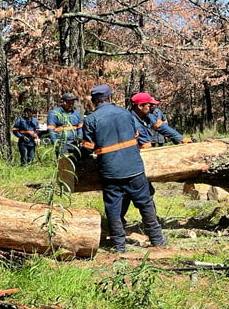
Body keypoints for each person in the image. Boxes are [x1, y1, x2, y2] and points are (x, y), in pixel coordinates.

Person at [81, 85, 166, 253]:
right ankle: (157, 240)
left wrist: (81, 156)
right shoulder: (126, 114)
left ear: (93, 101)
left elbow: (87, 148)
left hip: (110, 172)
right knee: (145, 203)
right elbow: (136, 135)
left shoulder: (91, 120)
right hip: (134, 167)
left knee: (113, 208)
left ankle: (119, 246)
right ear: (110, 98)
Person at [119, 92, 192, 225]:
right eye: (149, 105)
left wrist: (181, 139)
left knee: (134, 192)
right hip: (130, 162)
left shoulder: (147, 117)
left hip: (139, 160)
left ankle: (126, 221)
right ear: (140, 106)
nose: (152, 107)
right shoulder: (131, 120)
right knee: (139, 191)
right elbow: (144, 145)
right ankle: (149, 222)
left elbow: (163, 128)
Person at [47, 92, 83, 157]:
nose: (71, 105)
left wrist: (80, 137)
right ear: (63, 102)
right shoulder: (54, 113)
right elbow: (51, 131)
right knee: (63, 163)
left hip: (74, 144)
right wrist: (55, 143)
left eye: (72, 103)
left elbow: (80, 128)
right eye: (68, 102)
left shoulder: (77, 114)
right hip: (61, 144)